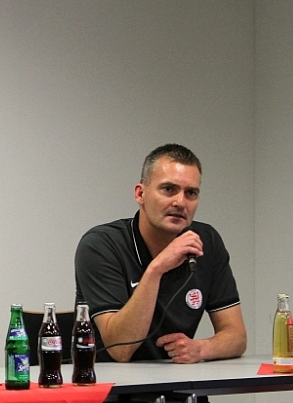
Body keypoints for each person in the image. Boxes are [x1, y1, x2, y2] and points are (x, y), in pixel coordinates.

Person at [74, 144, 246, 363]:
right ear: (140, 194)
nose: (180, 202)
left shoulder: (206, 241)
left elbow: (237, 337)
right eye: (168, 189)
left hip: (175, 379)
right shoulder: (101, 245)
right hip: (109, 381)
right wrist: (157, 268)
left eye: (191, 193)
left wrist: (201, 349)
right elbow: (120, 350)